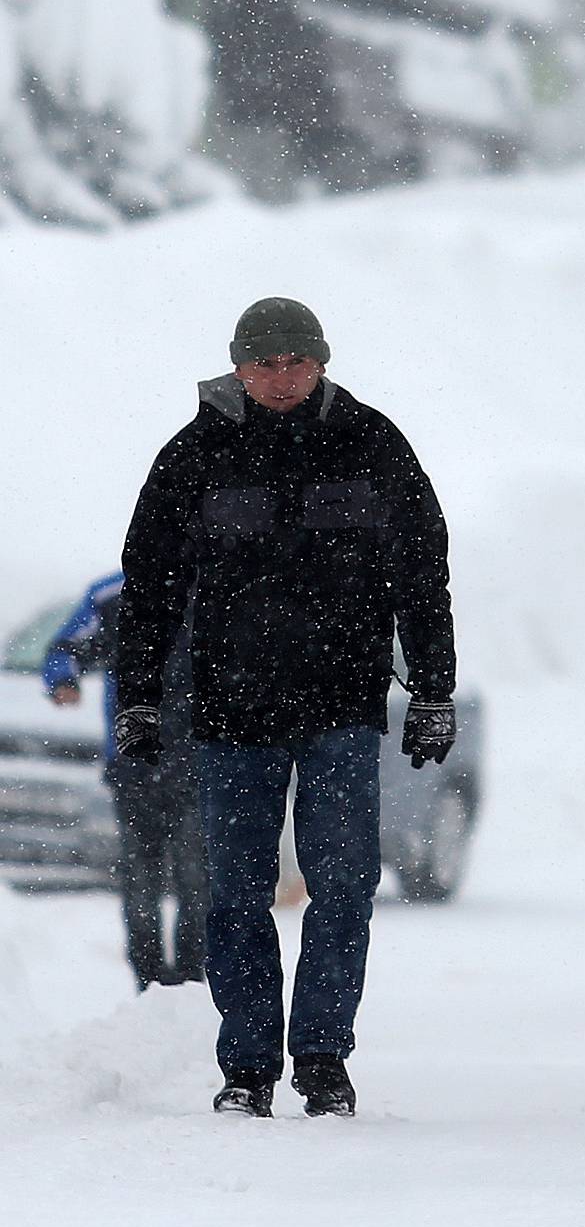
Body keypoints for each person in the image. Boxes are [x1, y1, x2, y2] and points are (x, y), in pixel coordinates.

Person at [115, 298, 457, 1120]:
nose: (280, 377)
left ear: (321, 362)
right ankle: (248, 1068)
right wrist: (136, 699)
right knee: (234, 894)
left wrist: (434, 690)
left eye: (294, 361)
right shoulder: (193, 456)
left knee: (344, 888)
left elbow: (422, 573)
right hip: (232, 713)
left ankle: (323, 1060)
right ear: (236, 365)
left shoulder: (373, 445)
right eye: (263, 362)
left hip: (342, 707)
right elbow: (149, 588)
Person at [43, 569, 206, 991]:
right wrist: (63, 679)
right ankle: (151, 979)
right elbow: (66, 648)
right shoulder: (114, 593)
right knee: (146, 874)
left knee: (192, 876)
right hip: (138, 758)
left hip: (201, 756)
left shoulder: (220, 580)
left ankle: (189, 977)